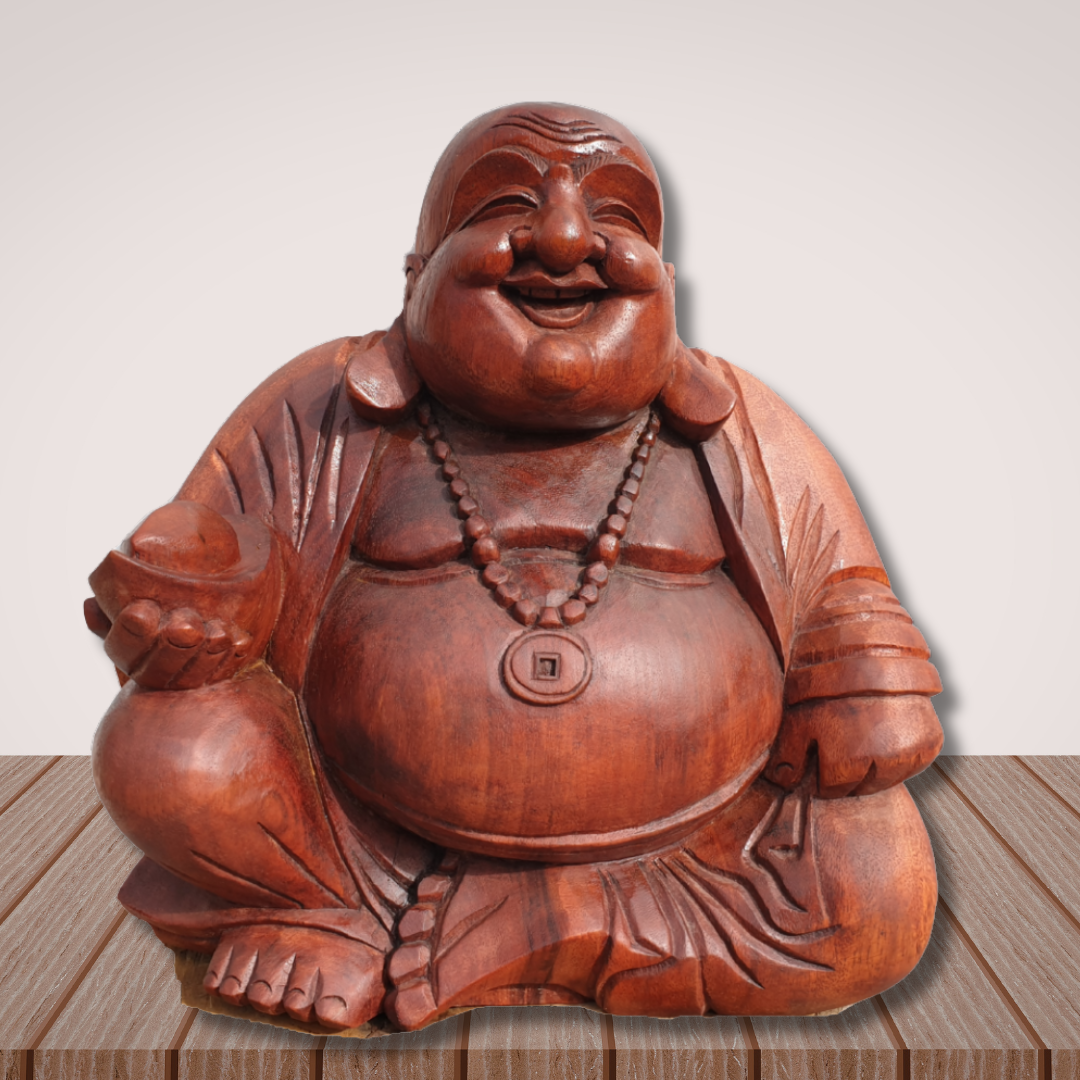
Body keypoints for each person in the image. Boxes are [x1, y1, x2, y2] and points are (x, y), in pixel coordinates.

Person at [86, 103, 943, 1032]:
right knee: (171, 745)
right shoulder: (327, 404)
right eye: (504, 203)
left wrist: (859, 680)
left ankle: (568, 917)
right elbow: (217, 551)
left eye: (616, 218)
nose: (567, 239)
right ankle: (320, 911)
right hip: (358, 843)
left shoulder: (739, 421)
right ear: (417, 273)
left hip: (698, 847)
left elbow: (841, 588)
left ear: (665, 279)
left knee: (875, 894)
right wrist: (185, 599)